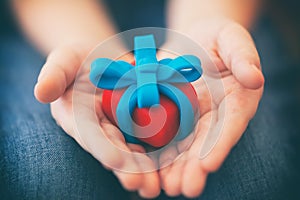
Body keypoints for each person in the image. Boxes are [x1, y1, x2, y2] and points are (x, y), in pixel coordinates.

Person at [0, 0, 299, 199]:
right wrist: (88, 43)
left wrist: (204, 25)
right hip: (58, 15)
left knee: (254, 178)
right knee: (46, 176)